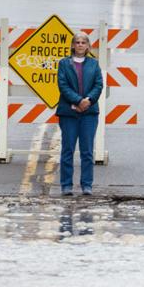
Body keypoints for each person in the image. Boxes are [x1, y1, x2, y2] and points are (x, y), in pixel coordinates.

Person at [55, 32, 103, 196]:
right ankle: (66, 185)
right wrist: (77, 101)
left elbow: (98, 84)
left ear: (88, 46)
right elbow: (63, 85)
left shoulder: (94, 64)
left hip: (89, 113)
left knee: (87, 151)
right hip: (69, 113)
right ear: (72, 45)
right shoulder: (64, 64)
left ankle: (87, 184)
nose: (80, 45)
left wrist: (88, 100)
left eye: (84, 42)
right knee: (67, 149)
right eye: (77, 42)